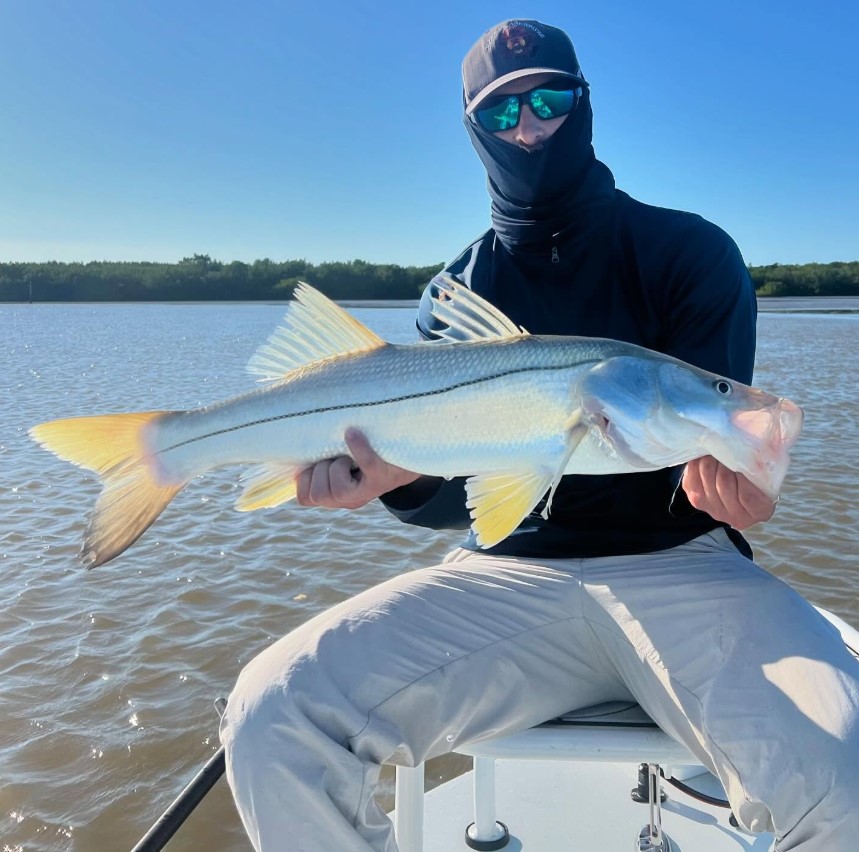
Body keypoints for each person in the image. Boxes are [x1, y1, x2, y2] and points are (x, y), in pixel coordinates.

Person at [220, 19, 859, 851]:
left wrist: (734, 483)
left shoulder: (688, 251)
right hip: (503, 579)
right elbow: (463, 505)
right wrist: (397, 484)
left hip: (683, 570)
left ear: (583, 106)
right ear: (474, 132)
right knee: (273, 715)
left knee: (844, 776)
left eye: (550, 99)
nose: (528, 126)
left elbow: (701, 426)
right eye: (501, 113)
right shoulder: (455, 291)